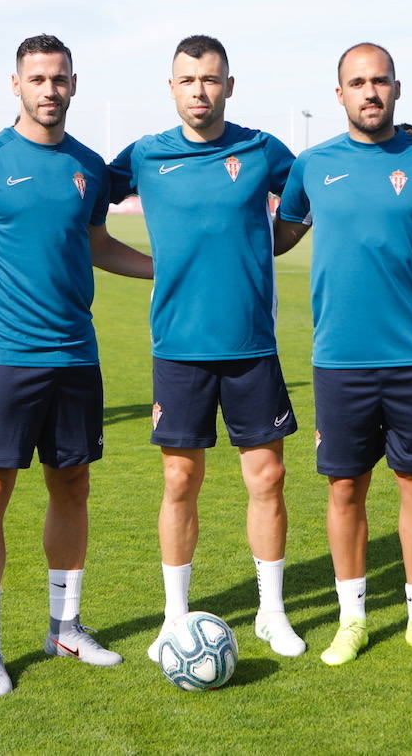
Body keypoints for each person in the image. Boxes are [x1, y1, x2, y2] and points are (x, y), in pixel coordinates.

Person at [0, 34, 153, 697]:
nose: (49, 89)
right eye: (37, 79)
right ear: (16, 85)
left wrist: (165, 268)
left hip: (75, 356)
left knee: (73, 488)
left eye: (59, 78)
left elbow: (96, 245)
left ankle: (64, 627)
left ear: (74, 84)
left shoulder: (88, 166)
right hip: (2, 359)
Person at [273, 42, 412, 666]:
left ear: (397, 88)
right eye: (358, 82)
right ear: (339, 94)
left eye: (381, 81)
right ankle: (352, 619)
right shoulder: (312, 165)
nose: (370, 91)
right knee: (345, 488)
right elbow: (279, 236)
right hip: (339, 357)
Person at [108, 35, 306, 659]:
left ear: (229, 86)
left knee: (267, 477)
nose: (200, 90)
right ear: (171, 88)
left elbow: (310, 194)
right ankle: (174, 617)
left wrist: (270, 244)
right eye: (188, 80)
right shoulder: (144, 155)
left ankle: (271, 612)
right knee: (179, 479)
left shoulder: (262, 149)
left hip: (251, 342)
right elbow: (76, 186)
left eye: (211, 79)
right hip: (178, 345)